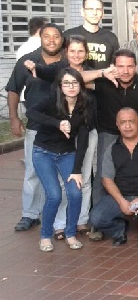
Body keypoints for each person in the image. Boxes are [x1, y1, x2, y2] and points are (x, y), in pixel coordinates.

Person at [27, 67, 93, 252]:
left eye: (75, 82)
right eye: (66, 83)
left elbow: (83, 141)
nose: (71, 87)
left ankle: (70, 234)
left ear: (80, 85)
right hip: (43, 152)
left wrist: (77, 170)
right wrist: (57, 123)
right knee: (54, 195)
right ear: (60, 86)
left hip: (67, 153)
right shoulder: (52, 100)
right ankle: (45, 235)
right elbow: (31, 112)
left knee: (75, 193)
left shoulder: (85, 105)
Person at [6, 23, 64, 232]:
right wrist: (14, 117)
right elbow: (13, 90)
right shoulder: (28, 60)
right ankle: (30, 214)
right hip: (36, 126)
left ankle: (61, 216)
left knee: (62, 174)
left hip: (64, 127)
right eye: (47, 36)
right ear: (40, 38)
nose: (51, 40)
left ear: (62, 39)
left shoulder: (68, 61)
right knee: (33, 171)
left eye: (56, 36)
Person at [89, 49, 138, 241]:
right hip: (109, 132)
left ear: (136, 67)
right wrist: (101, 73)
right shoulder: (104, 81)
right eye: (120, 66)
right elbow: (73, 78)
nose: (125, 71)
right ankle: (98, 223)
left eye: (130, 66)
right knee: (103, 174)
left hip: (134, 133)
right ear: (113, 67)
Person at [89, 108, 138, 248]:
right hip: (120, 195)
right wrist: (121, 202)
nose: (127, 126)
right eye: (123, 122)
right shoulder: (112, 148)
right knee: (96, 218)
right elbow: (107, 180)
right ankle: (118, 229)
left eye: (131, 121)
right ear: (117, 125)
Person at [63, 0, 119, 70]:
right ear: (82, 12)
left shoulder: (111, 37)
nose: (95, 13)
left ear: (103, 13)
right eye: (90, 9)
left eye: (98, 9)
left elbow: (115, 65)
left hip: (103, 77)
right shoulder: (68, 35)